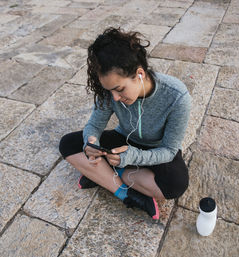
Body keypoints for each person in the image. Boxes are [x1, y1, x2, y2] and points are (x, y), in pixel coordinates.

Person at [59, 27, 191, 220]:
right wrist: (91, 142)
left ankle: (104, 173)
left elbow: (169, 150)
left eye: (119, 89)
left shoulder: (177, 97)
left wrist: (132, 157)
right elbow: (94, 126)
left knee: (175, 184)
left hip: (156, 149)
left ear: (139, 74)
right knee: (68, 144)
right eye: (109, 91)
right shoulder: (110, 91)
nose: (115, 97)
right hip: (123, 140)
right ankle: (125, 193)